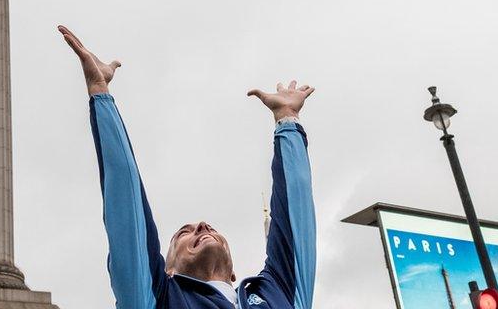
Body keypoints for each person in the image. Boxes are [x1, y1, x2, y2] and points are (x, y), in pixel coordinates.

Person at [58, 24, 316, 309]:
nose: (202, 226)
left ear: (233, 272)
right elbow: (127, 212)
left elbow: (296, 220)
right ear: (168, 269)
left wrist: (288, 120)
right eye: (184, 232)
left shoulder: (276, 292)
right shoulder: (159, 298)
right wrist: (100, 94)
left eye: (204, 228)